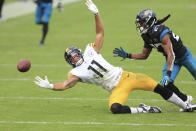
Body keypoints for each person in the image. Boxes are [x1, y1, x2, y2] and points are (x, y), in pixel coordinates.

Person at [34, 0, 196, 114]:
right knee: (115, 109)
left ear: (80, 53)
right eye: (73, 58)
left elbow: (100, 33)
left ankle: (185, 105)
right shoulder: (76, 74)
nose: (76, 58)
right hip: (117, 89)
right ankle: (144, 110)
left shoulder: (91, 51)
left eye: (76, 55)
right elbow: (66, 84)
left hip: (127, 77)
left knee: (160, 88)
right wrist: (50, 86)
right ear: (70, 62)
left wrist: (96, 13)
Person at [113, 9, 196, 104]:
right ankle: (185, 100)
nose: (140, 25)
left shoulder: (161, 32)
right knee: (166, 84)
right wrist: (128, 55)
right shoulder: (146, 35)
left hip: (184, 56)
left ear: (150, 21)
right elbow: (144, 55)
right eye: (140, 23)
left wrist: (168, 74)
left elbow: (171, 54)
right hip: (172, 60)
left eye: (142, 22)